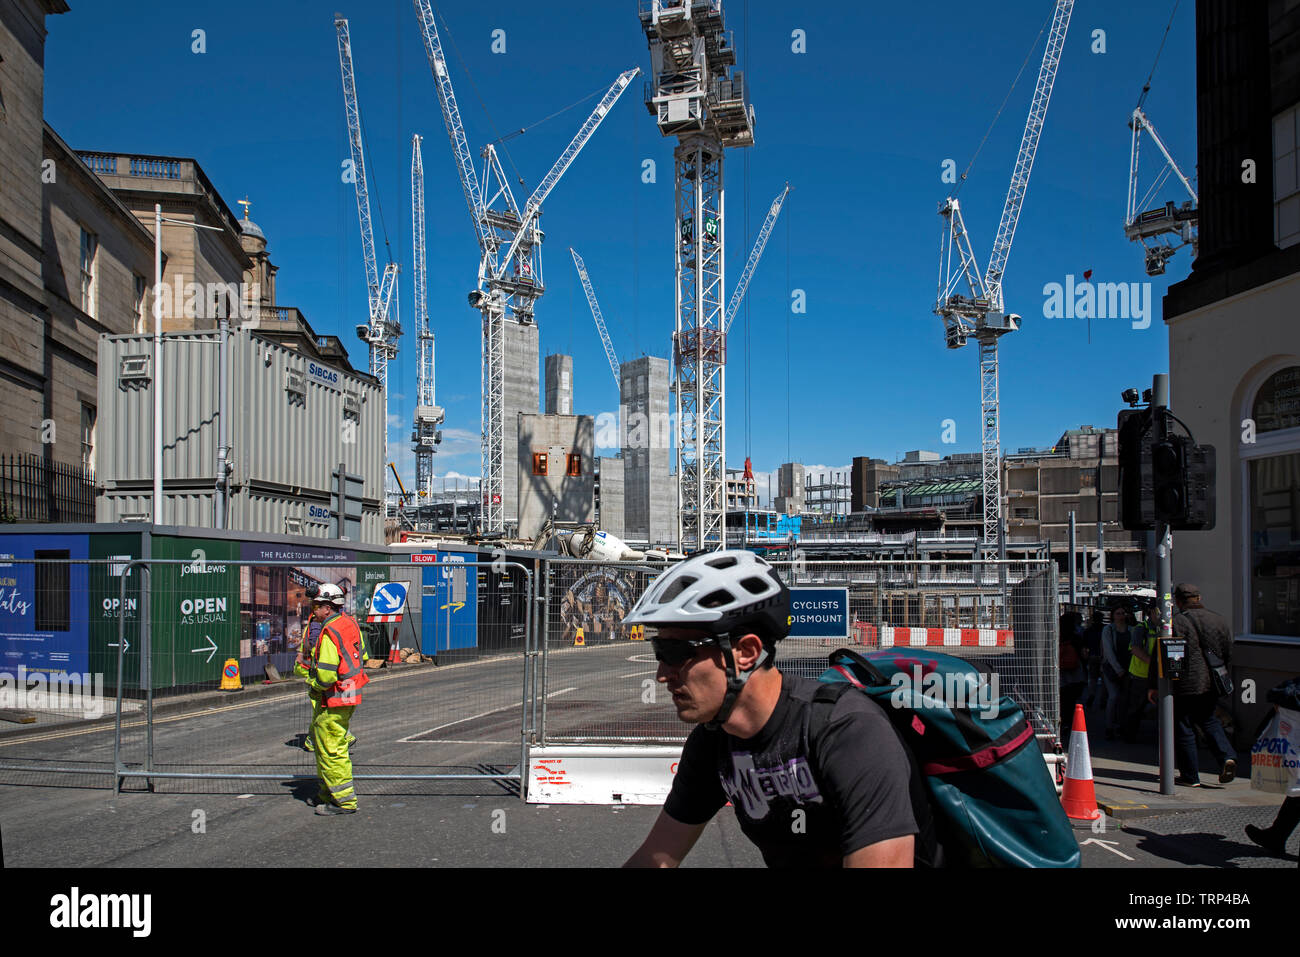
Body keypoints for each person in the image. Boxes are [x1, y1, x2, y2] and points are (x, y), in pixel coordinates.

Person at [621, 550, 939, 868]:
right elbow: (656, 858)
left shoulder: (849, 732)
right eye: (658, 650)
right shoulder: (712, 745)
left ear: (746, 652)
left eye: (676, 651)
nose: (662, 674)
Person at [1146, 583, 1237, 786]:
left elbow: (1160, 655)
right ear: (1199, 597)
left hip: (1184, 684)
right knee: (1209, 720)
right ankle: (1226, 757)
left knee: (1183, 727)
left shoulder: (1175, 623)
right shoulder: (1219, 620)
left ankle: (1190, 776)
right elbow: (1228, 653)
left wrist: (1153, 685)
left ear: (1178, 600)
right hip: (1212, 683)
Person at [305, 583, 369, 815]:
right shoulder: (349, 623)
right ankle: (327, 794)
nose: (313, 610)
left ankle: (343, 801)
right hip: (350, 693)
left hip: (334, 696)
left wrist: (314, 685)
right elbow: (363, 655)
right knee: (330, 746)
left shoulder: (330, 631)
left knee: (331, 749)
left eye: (317, 606)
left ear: (328, 607)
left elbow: (327, 674)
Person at [1120, 604, 1158, 742]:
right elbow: (1135, 649)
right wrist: (1155, 665)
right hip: (1141, 676)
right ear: (1151, 612)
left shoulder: (1166, 629)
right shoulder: (1141, 629)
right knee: (1135, 708)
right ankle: (1129, 736)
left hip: (1157, 675)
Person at [1100, 606, 1134, 740]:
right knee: (1113, 696)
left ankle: (1121, 725)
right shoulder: (1108, 630)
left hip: (1128, 668)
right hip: (1111, 668)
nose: (1121, 616)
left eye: (1123, 613)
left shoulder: (1131, 630)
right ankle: (1109, 727)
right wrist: (1118, 669)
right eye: (1118, 613)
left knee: (1124, 699)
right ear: (1113, 615)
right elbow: (1108, 650)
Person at [1058, 612, 1087, 730]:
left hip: (1061, 670)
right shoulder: (1076, 637)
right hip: (1075, 671)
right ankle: (1069, 722)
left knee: (1062, 698)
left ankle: (1062, 721)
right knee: (1072, 699)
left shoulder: (1057, 636)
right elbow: (1084, 654)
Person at [1080, 611, 1106, 708]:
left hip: (1092, 656)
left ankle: (1092, 695)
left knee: (1093, 679)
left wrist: (1086, 656)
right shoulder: (1104, 629)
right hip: (1102, 656)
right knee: (1104, 680)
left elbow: (1084, 645)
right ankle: (1103, 700)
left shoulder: (1088, 631)